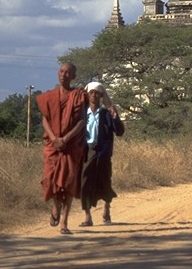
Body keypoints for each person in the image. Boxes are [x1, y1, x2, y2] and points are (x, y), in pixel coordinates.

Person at [36, 61, 88, 235]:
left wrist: (66, 138)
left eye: (68, 73)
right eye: (61, 71)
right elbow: (45, 119)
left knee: (69, 183)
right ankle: (56, 207)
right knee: (52, 180)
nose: (64, 75)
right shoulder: (49, 96)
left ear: (73, 76)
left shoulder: (79, 95)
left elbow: (82, 121)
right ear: (58, 73)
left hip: (72, 145)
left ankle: (64, 222)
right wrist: (54, 138)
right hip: (53, 146)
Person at [79, 81, 125, 226]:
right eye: (91, 93)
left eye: (97, 93)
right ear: (87, 95)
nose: (94, 96)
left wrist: (115, 117)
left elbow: (119, 132)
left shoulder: (106, 114)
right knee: (84, 182)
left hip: (103, 152)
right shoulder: (81, 114)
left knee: (105, 180)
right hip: (87, 151)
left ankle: (107, 209)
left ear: (101, 96)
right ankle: (87, 216)